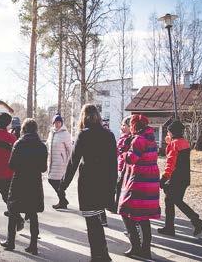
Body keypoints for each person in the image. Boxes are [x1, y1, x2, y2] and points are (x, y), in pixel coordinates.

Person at [60, 104, 117, 262]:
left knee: (92, 223)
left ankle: (99, 256)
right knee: (96, 221)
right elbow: (113, 164)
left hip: (88, 184)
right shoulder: (109, 135)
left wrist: (63, 185)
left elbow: (73, 162)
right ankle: (102, 254)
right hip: (104, 183)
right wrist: (112, 189)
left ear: (83, 117)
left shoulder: (83, 135)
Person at [0, 118, 48, 255]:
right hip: (34, 183)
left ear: (24, 129)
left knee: (13, 210)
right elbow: (43, 168)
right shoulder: (42, 146)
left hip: (19, 182)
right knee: (33, 214)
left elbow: (11, 165)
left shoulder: (19, 143)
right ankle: (33, 246)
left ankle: (11, 241)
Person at [118, 114, 160, 259]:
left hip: (139, 180)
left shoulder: (138, 140)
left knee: (125, 211)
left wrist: (123, 151)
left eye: (131, 124)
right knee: (143, 216)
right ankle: (145, 249)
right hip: (150, 181)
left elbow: (131, 158)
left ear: (135, 126)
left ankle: (136, 246)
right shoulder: (151, 139)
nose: (129, 127)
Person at [158, 120, 202, 236]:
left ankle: (192, 221)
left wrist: (164, 177)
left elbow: (171, 163)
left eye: (168, 132)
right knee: (174, 200)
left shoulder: (174, 144)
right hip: (184, 178)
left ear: (172, 132)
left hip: (175, 178)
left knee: (171, 200)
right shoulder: (184, 142)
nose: (167, 134)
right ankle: (193, 221)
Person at [46, 113, 72, 209]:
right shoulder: (51, 133)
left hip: (61, 163)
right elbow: (48, 145)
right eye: (55, 122)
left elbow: (70, 149)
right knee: (52, 180)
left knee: (55, 181)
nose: (57, 124)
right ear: (53, 123)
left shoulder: (65, 134)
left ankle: (63, 200)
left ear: (61, 123)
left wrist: (69, 163)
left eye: (59, 122)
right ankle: (63, 201)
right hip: (52, 161)